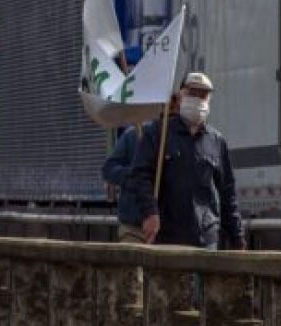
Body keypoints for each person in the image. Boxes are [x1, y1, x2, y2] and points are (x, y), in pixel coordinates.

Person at [128, 72, 243, 250]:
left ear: (209, 99)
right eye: (192, 93)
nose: (197, 99)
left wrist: (237, 237)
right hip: (167, 238)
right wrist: (150, 212)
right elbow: (140, 175)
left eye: (203, 95)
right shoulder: (158, 133)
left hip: (207, 241)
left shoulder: (216, 141)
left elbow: (228, 192)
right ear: (180, 96)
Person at [102, 125, 145, 244]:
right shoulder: (132, 135)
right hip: (135, 229)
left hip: (171, 231)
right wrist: (133, 174)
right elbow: (108, 169)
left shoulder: (187, 137)